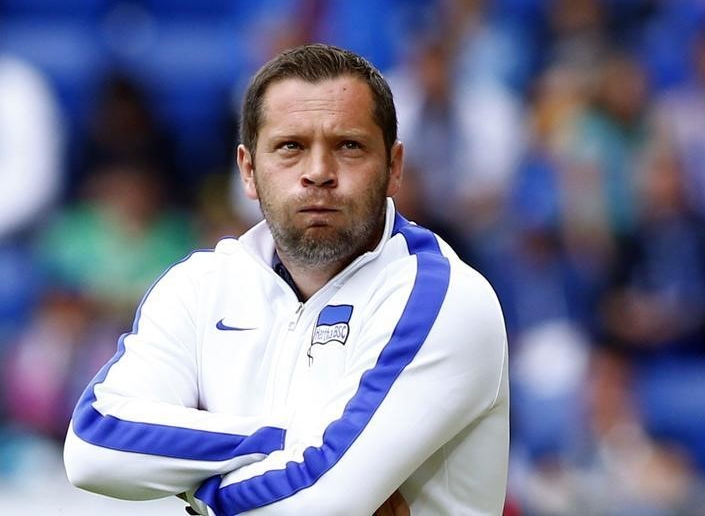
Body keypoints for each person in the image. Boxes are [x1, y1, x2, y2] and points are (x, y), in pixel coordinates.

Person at [63, 44, 510, 515]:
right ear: (249, 171)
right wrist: (290, 443)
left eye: (349, 146)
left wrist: (190, 482)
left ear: (394, 168)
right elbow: (95, 443)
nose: (318, 173)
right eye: (291, 147)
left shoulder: (443, 297)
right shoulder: (199, 286)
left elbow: (320, 502)